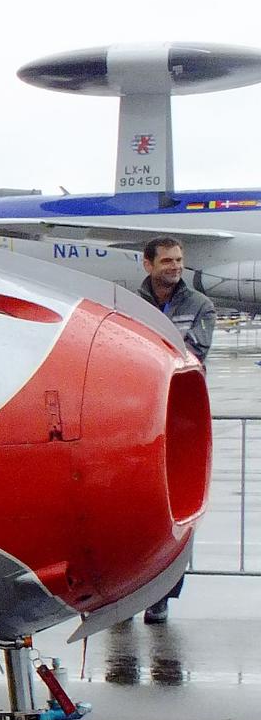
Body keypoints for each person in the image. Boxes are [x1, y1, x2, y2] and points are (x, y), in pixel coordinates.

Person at [136, 236, 215, 622]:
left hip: (181, 421)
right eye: (167, 260)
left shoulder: (200, 305)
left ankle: (163, 594)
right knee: (136, 508)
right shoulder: (128, 306)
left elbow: (192, 356)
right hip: (136, 419)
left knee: (176, 507)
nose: (175, 266)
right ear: (148, 264)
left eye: (179, 260)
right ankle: (128, 592)